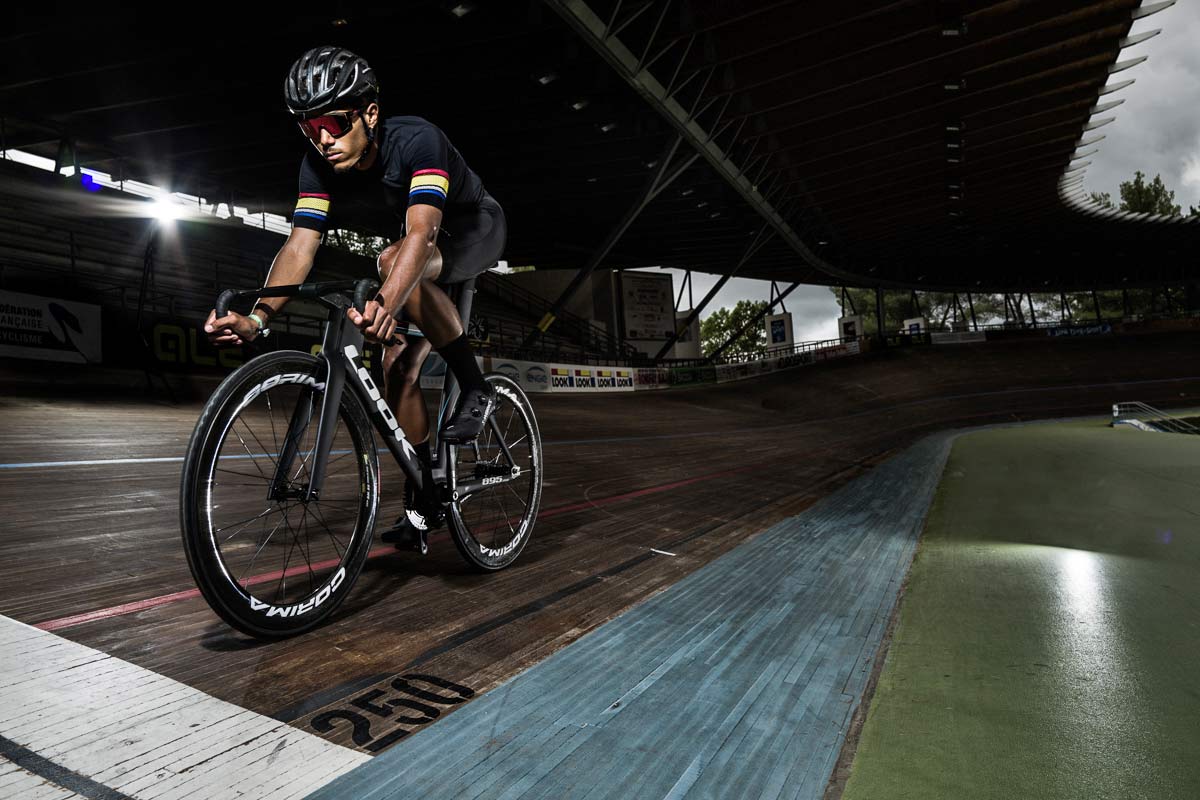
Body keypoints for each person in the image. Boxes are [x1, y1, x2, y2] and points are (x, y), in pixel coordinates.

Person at [203, 45, 505, 547]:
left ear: (369, 113)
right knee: (398, 370)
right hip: (416, 251)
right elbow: (300, 247)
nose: (323, 139)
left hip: (471, 230)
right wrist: (258, 319)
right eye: (309, 126)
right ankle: (427, 493)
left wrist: (385, 303)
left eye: (334, 123)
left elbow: (423, 233)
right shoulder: (316, 165)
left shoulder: (417, 139)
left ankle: (477, 386)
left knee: (390, 263)